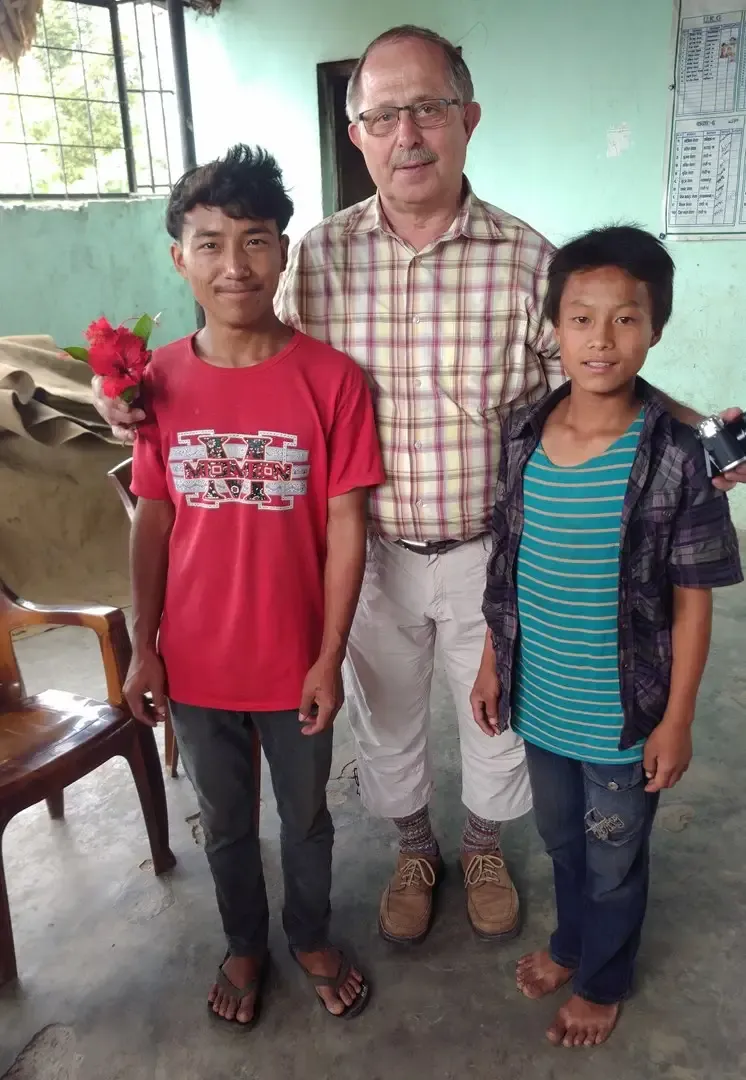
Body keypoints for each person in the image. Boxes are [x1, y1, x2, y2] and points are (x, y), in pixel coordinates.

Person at [96, 25, 746, 948]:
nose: (408, 135)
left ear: (468, 120)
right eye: (384, 115)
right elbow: (241, 353)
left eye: (429, 109)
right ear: (357, 134)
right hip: (364, 550)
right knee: (385, 718)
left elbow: (599, 372)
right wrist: (131, 395)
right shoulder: (315, 257)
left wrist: (699, 429)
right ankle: (414, 849)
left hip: (493, 551)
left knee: (498, 719)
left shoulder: (527, 260)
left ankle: (481, 847)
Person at [123, 145, 384, 1027]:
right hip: (195, 665)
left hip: (294, 662)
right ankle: (244, 941)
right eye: (210, 244)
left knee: (305, 819)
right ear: (179, 258)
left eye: (256, 240)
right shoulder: (155, 384)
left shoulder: (331, 380)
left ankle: (308, 933)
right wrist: (143, 646)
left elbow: (346, 525)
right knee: (225, 820)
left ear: (284, 251)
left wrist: (329, 655)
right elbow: (152, 520)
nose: (234, 265)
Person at [472, 225, 742, 1048]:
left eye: (626, 318)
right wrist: (491, 663)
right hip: (541, 699)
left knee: (615, 855)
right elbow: (506, 566)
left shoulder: (678, 458)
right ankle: (570, 943)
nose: (601, 339)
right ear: (553, 327)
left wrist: (677, 719)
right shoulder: (523, 435)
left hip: (625, 712)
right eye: (581, 318)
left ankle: (603, 980)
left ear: (655, 329)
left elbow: (693, 602)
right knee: (562, 840)